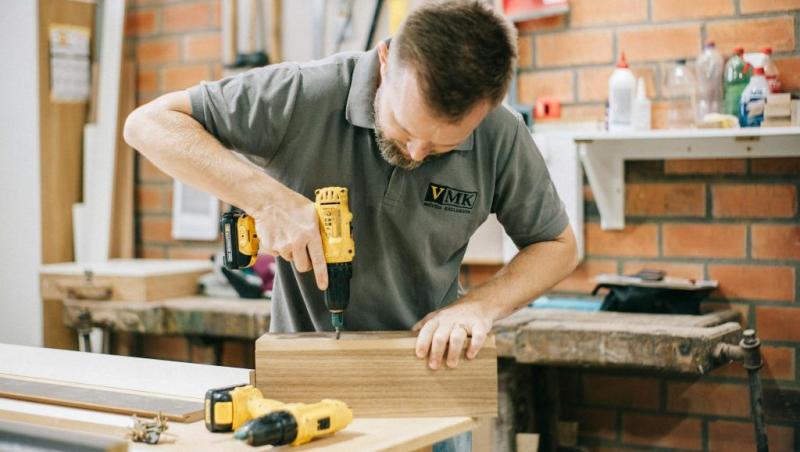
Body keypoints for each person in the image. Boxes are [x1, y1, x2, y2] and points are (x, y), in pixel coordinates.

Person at [125, 0, 577, 373]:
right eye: (403, 126)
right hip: (307, 371)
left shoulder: (500, 132)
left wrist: (478, 307)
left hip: (430, 374)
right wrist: (267, 200)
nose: (417, 153)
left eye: (444, 145)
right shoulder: (303, 95)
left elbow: (558, 244)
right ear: (385, 60)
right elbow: (148, 123)